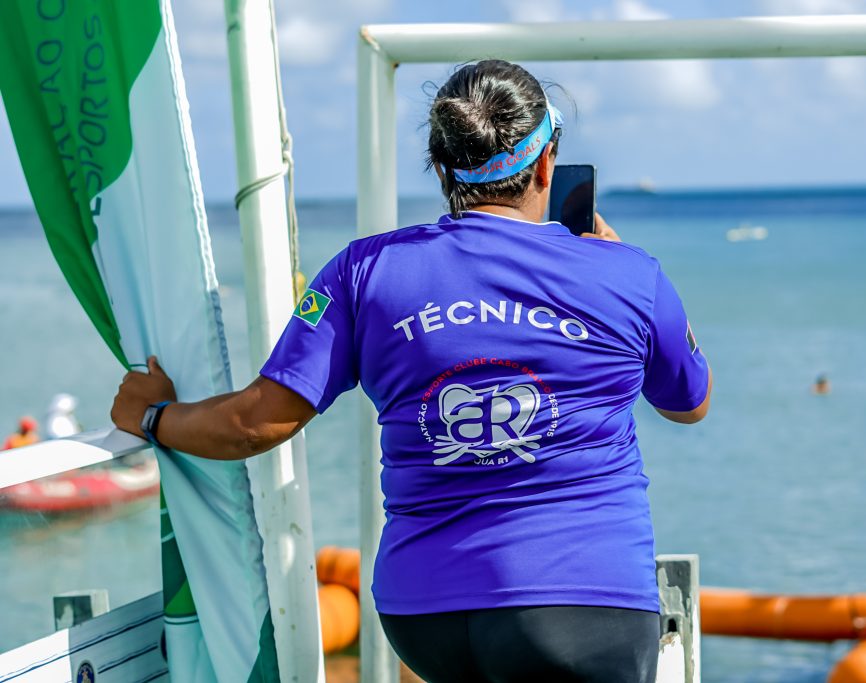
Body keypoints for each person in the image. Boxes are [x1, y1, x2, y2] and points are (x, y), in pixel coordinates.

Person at [111, 59, 711, 682]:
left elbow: (253, 424)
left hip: (426, 618)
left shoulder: (363, 270)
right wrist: (617, 271)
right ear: (544, 164)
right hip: (585, 608)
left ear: (444, 167)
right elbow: (688, 401)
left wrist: (151, 415)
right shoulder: (630, 274)